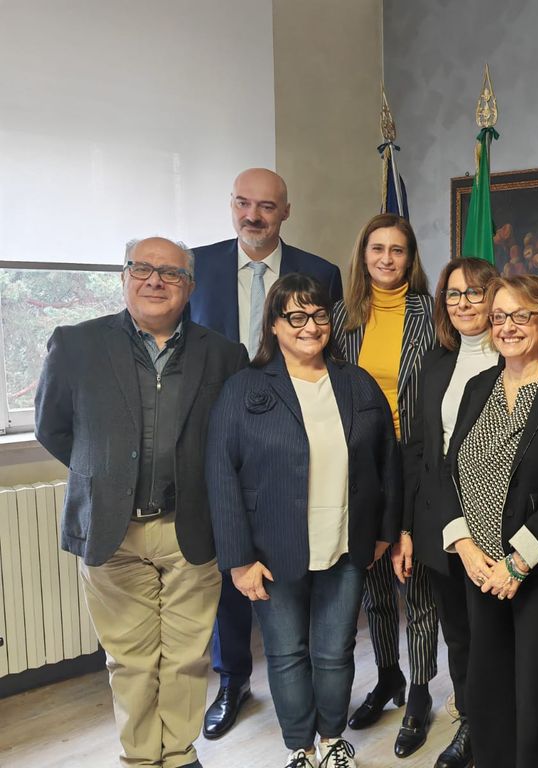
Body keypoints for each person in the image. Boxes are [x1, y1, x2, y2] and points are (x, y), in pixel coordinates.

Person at [35, 237, 248, 768]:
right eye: (143, 268)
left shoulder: (225, 355)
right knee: (129, 661)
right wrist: (106, 476)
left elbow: (232, 440)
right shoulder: (76, 344)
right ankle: (140, 757)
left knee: (187, 657)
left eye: (171, 273)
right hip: (112, 529)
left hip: (190, 528)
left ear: (189, 286)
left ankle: (178, 754)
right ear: (124, 276)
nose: (155, 280)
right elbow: (53, 428)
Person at [206, 273, 401, 768]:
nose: (310, 326)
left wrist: (382, 532)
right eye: (295, 316)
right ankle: (301, 747)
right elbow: (221, 474)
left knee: (335, 652)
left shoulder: (357, 383)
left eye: (318, 315)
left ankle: (332, 740)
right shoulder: (244, 387)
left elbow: (388, 461)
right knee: (287, 653)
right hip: (271, 552)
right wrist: (238, 559)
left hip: (344, 545)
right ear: (273, 325)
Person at [190, 167, 344, 739]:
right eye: (243, 203)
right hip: (221, 428)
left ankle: (311, 689)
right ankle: (232, 679)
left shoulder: (320, 273)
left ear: (286, 211)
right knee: (234, 558)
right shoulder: (195, 265)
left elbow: (329, 350)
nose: (253, 215)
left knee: (299, 564)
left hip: (295, 432)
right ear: (231, 205)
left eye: (266, 206)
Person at [441, 274, 538, 768]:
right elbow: (451, 469)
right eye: (499, 317)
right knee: (488, 689)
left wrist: (518, 563)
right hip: (480, 569)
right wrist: (465, 547)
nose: (507, 326)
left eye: (520, 316)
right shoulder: (478, 387)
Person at [331, 213, 439, 758]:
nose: (387, 259)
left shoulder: (431, 314)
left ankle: (419, 690)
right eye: (377, 248)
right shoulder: (341, 315)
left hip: (414, 458)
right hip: (361, 463)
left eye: (398, 250)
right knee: (371, 576)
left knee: (414, 579)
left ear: (410, 257)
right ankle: (389, 674)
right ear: (364, 254)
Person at [399, 257, 500, 768]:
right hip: (440, 523)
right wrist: (408, 528)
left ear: (495, 297)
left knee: (492, 636)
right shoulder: (436, 364)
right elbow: (420, 450)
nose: (463, 303)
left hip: (495, 528)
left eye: (474, 292)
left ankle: (495, 727)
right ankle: (471, 725)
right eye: (453, 294)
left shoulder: (514, 360)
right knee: (457, 633)